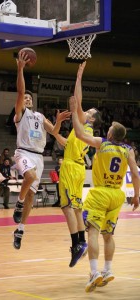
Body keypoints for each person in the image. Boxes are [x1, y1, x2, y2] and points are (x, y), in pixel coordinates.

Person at [71, 96, 140, 293]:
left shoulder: (102, 143)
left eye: (109, 129)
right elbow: (135, 173)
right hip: (117, 195)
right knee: (108, 235)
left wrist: (76, 113)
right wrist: (136, 196)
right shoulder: (129, 150)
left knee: (92, 231)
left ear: (111, 133)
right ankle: (107, 270)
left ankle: (94, 272)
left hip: (100, 193)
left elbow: (78, 133)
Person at [12, 50, 71, 250]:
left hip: (38, 157)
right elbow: (21, 92)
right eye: (25, 98)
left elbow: (53, 131)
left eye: (29, 98)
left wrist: (59, 122)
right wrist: (20, 69)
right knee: (28, 178)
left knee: (31, 196)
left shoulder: (38, 116)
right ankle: (18, 204)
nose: (27, 99)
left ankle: (20, 229)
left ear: (33, 101)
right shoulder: (20, 114)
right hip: (23, 152)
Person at [53, 62, 102, 268]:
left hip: (73, 168)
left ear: (91, 118)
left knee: (72, 207)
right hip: (70, 166)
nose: (85, 110)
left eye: (88, 110)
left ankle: (78, 243)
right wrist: (54, 129)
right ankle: (78, 242)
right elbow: (64, 143)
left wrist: (79, 76)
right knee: (66, 207)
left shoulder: (84, 123)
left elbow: (78, 100)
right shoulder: (80, 131)